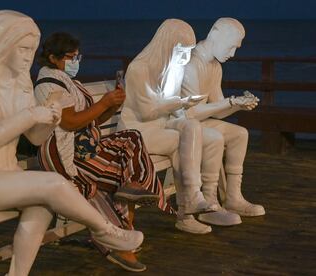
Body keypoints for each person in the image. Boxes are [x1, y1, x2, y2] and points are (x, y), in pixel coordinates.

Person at [0, 10, 143, 276]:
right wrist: (31, 114)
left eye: (31, 50)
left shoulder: (21, 84)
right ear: (2, 45)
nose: (28, 56)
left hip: (3, 173)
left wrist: (50, 117)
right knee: (53, 184)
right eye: (23, 49)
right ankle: (104, 231)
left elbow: (35, 137)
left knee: (44, 205)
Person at [35, 32, 173, 272]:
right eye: (71, 56)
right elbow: (68, 122)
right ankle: (121, 245)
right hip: (67, 156)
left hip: (87, 147)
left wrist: (112, 107)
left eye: (78, 56)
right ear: (53, 57)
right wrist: (104, 102)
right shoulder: (48, 85)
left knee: (131, 137)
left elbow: (91, 123)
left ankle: (136, 186)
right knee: (112, 181)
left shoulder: (69, 81)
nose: (76, 61)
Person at [117, 19, 218, 234]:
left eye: (189, 52)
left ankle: (193, 196)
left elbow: (169, 108)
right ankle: (187, 211)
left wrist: (183, 106)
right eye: (181, 51)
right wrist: (180, 102)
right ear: (166, 45)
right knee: (179, 143)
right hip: (137, 131)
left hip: (159, 125)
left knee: (191, 126)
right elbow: (146, 112)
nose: (185, 57)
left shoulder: (174, 67)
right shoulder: (139, 68)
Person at [180, 18, 265, 225]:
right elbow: (191, 114)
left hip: (197, 121)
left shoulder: (215, 66)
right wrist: (230, 102)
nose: (233, 54)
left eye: (236, 48)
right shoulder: (191, 63)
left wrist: (237, 104)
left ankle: (233, 198)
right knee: (216, 136)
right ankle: (209, 202)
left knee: (239, 133)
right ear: (216, 34)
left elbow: (216, 110)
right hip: (182, 125)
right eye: (231, 46)